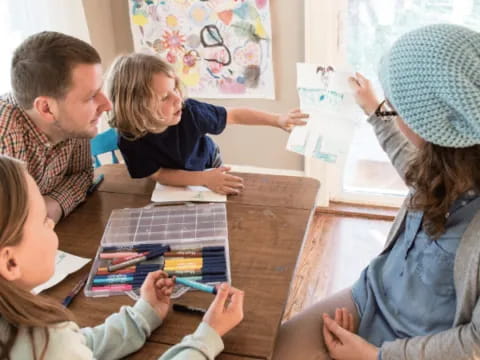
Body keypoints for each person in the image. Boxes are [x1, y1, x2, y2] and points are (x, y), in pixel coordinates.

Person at [272, 23, 480, 360]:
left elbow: (473, 344)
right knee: (277, 351)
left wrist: (375, 356)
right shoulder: (444, 164)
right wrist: (374, 109)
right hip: (370, 297)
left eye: (396, 107)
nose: (392, 112)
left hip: (425, 347)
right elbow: (406, 157)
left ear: (431, 127)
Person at [0, 155, 244, 359]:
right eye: (44, 219)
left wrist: (142, 317)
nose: (52, 223)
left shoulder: (35, 335)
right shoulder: (44, 343)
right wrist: (207, 336)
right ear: (10, 262)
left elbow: (78, 345)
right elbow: (64, 348)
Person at [107, 53, 308, 195]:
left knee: (218, 200)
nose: (178, 99)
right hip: (170, 177)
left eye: (175, 88)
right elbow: (159, 174)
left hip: (208, 162)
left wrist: (277, 120)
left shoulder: (191, 112)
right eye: (164, 97)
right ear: (137, 110)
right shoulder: (129, 137)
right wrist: (201, 179)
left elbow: (235, 115)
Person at [0, 31, 112, 223]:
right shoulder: (5, 135)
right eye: (90, 97)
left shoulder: (72, 125)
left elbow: (82, 174)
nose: (107, 104)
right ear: (46, 108)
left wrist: (56, 203)